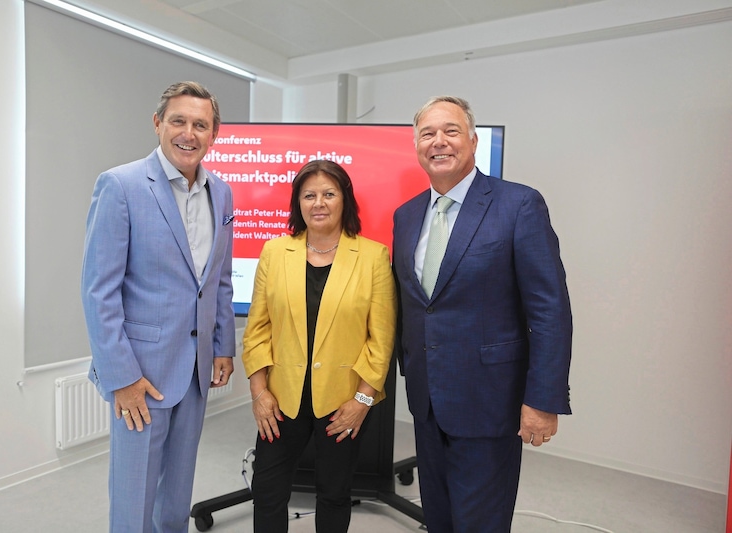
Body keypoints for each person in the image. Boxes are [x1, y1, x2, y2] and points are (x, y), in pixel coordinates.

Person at [392, 96, 573, 532]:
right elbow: (415, 304)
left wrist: (543, 399)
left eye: (451, 131)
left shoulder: (518, 205)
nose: (439, 142)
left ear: (473, 141)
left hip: (492, 400)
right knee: (439, 517)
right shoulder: (406, 215)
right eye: (428, 133)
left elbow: (550, 309)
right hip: (427, 398)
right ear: (416, 145)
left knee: (480, 524)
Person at [81, 81, 236, 533]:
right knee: (134, 499)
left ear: (214, 133)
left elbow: (218, 280)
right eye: (179, 121)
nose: (189, 133)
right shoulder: (121, 185)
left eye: (201, 125)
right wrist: (122, 377)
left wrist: (223, 344)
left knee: (175, 498)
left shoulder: (221, 193)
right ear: (158, 124)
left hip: (195, 370)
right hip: (140, 375)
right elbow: (98, 291)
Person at [242, 159, 397, 532]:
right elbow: (257, 329)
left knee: (334, 492)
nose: (319, 203)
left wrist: (361, 401)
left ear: (345, 200)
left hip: (342, 402)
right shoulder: (275, 252)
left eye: (329, 193)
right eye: (309, 195)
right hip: (280, 399)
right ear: (298, 202)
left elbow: (381, 338)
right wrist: (259, 392)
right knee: (267, 491)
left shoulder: (373, 257)